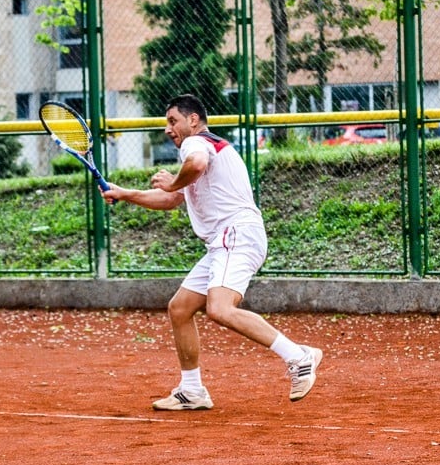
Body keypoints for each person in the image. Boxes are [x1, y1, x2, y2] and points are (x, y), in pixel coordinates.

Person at [100, 94, 323, 410]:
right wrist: (125, 194)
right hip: (225, 241)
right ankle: (192, 390)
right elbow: (172, 199)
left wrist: (172, 182)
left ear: (193, 120)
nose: (167, 129)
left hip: (236, 235)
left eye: (172, 121)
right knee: (180, 308)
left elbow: (193, 168)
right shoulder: (206, 148)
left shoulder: (196, 144)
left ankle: (299, 357)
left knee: (220, 309)